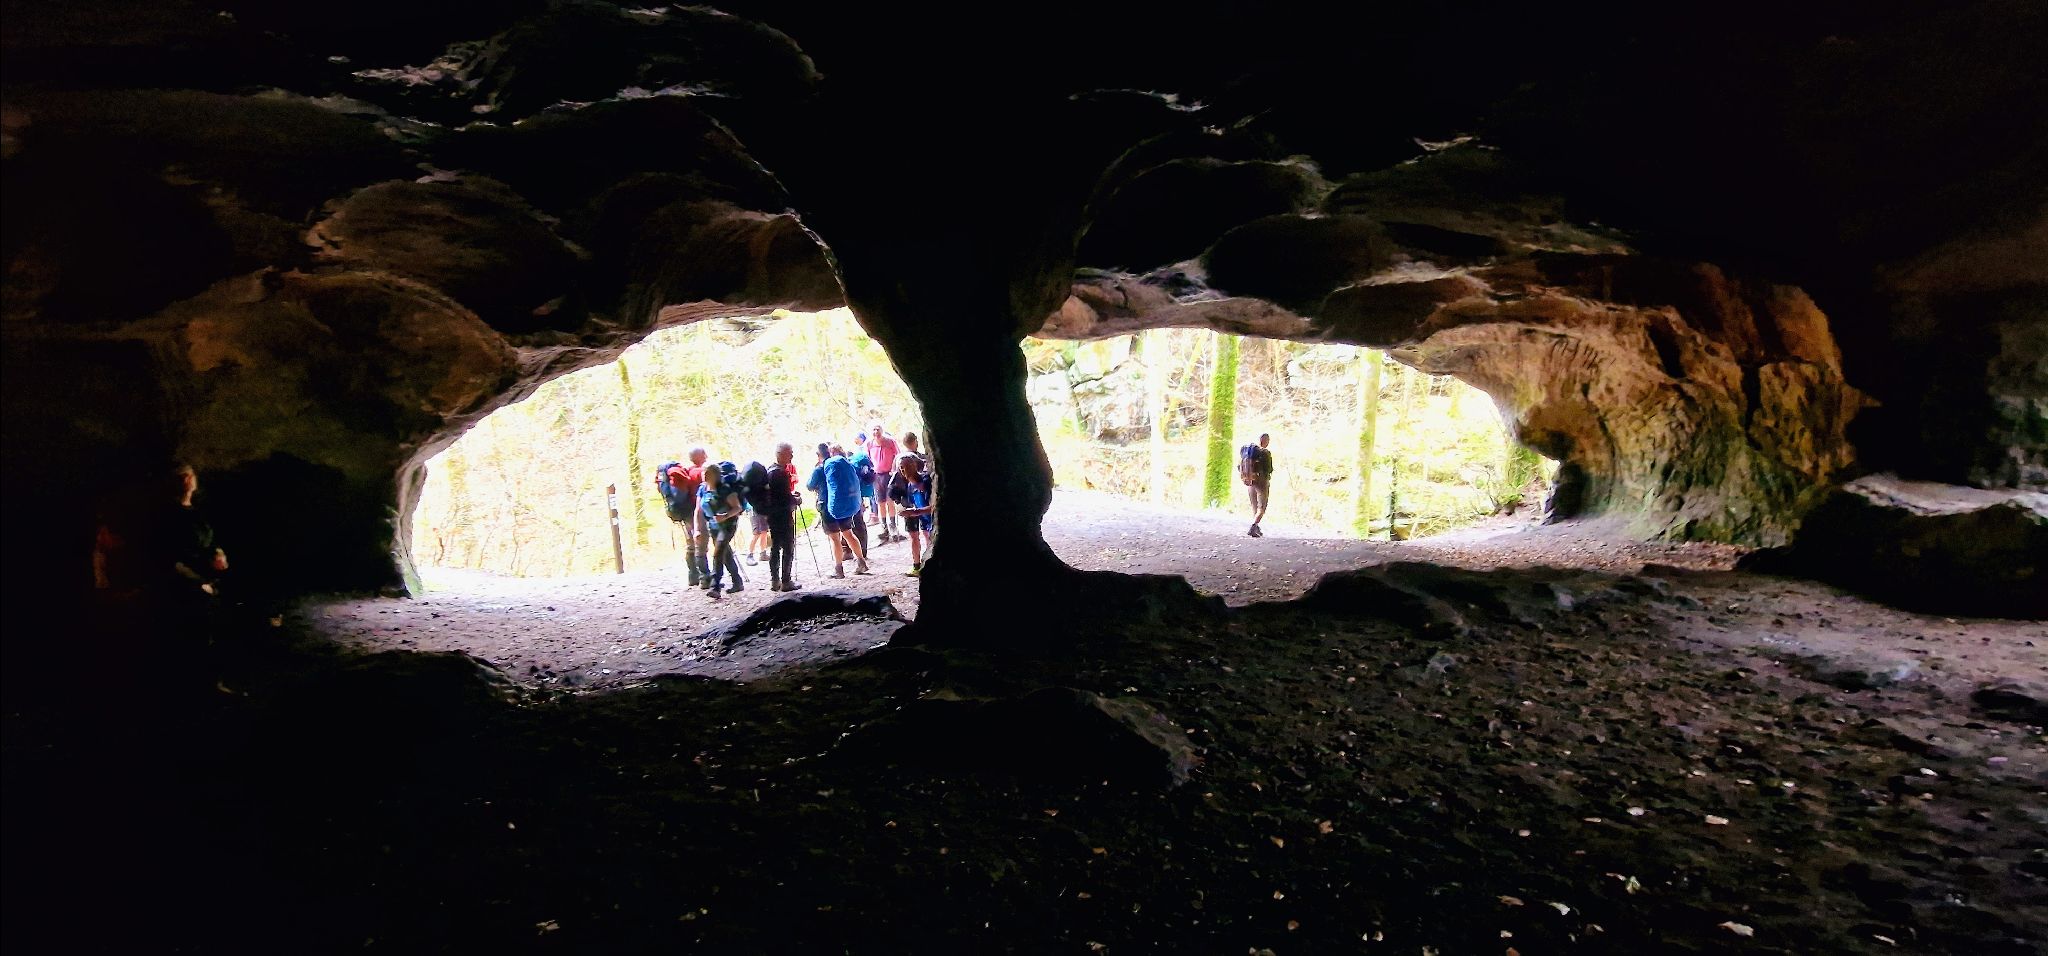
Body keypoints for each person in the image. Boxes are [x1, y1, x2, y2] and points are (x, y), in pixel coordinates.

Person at [806, 442, 868, 577]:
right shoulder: (837, 465)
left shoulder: (819, 469)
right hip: (843, 503)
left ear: (818, 455)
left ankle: (838, 569)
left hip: (827, 507)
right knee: (849, 534)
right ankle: (861, 562)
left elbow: (809, 486)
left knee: (834, 538)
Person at [698, 462, 745, 598]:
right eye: (704, 472)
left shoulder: (725, 489)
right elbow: (699, 509)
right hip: (713, 527)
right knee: (725, 554)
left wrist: (725, 516)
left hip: (728, 525)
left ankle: (715, 586)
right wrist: (698, 528)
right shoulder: (703, 489)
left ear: (715, 475)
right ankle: (737, 581)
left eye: (707, 473)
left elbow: (738, 507)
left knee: (718, 553)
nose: (704, 474)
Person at [666, 448, 710, 587]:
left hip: (685, 513)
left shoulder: (687, 471)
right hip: (697, 513)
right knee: (701, 545)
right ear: (699, 456)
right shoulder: (700, 472)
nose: (706, 456)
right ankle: (705, 578)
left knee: (691, 544)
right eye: (704, 454)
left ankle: (693, 576)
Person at [763, 443, 802, 592]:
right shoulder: (781, 473)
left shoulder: (769, 471)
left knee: (775, 547)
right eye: (789, 453)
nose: (792, 456)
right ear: (780, 454)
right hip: (784, 516)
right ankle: (786, 581)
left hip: (772, 515)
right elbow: (784, 498)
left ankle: (774, 580)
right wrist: (796, 500)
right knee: (788, 547)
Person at [887, 453, 934, 576]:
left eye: (907, 466)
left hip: (932, 521)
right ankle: (918, 566)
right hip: (925, 521)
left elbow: (935, 507)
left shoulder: (926, 481)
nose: (904, 470)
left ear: (914, 466)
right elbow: (915, 504)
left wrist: (915, 512)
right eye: (901, 467)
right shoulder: (909, 486)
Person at [868, 422, 900, 542]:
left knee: (890, 501)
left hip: (889, 475)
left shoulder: (890, 442)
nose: (876, 432)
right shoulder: (870, 444)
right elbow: (868, 459)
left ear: (882, 430)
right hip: (877, 476)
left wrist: (894, 470)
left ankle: (893, 526)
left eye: (878, 429)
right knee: (880, 502)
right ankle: (884, 527)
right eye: (873, 429)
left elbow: (897, 455)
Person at [1241, 432, 1274, 537]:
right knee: (1261, 507)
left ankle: (1256, 528)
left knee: (1254, 507)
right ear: (1265, 441)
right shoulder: (1265, 453)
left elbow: (1239, 465)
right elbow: (1269, 469)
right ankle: (1253, 525)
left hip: (1250, 480)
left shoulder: (1247, 452)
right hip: (1261, 482)